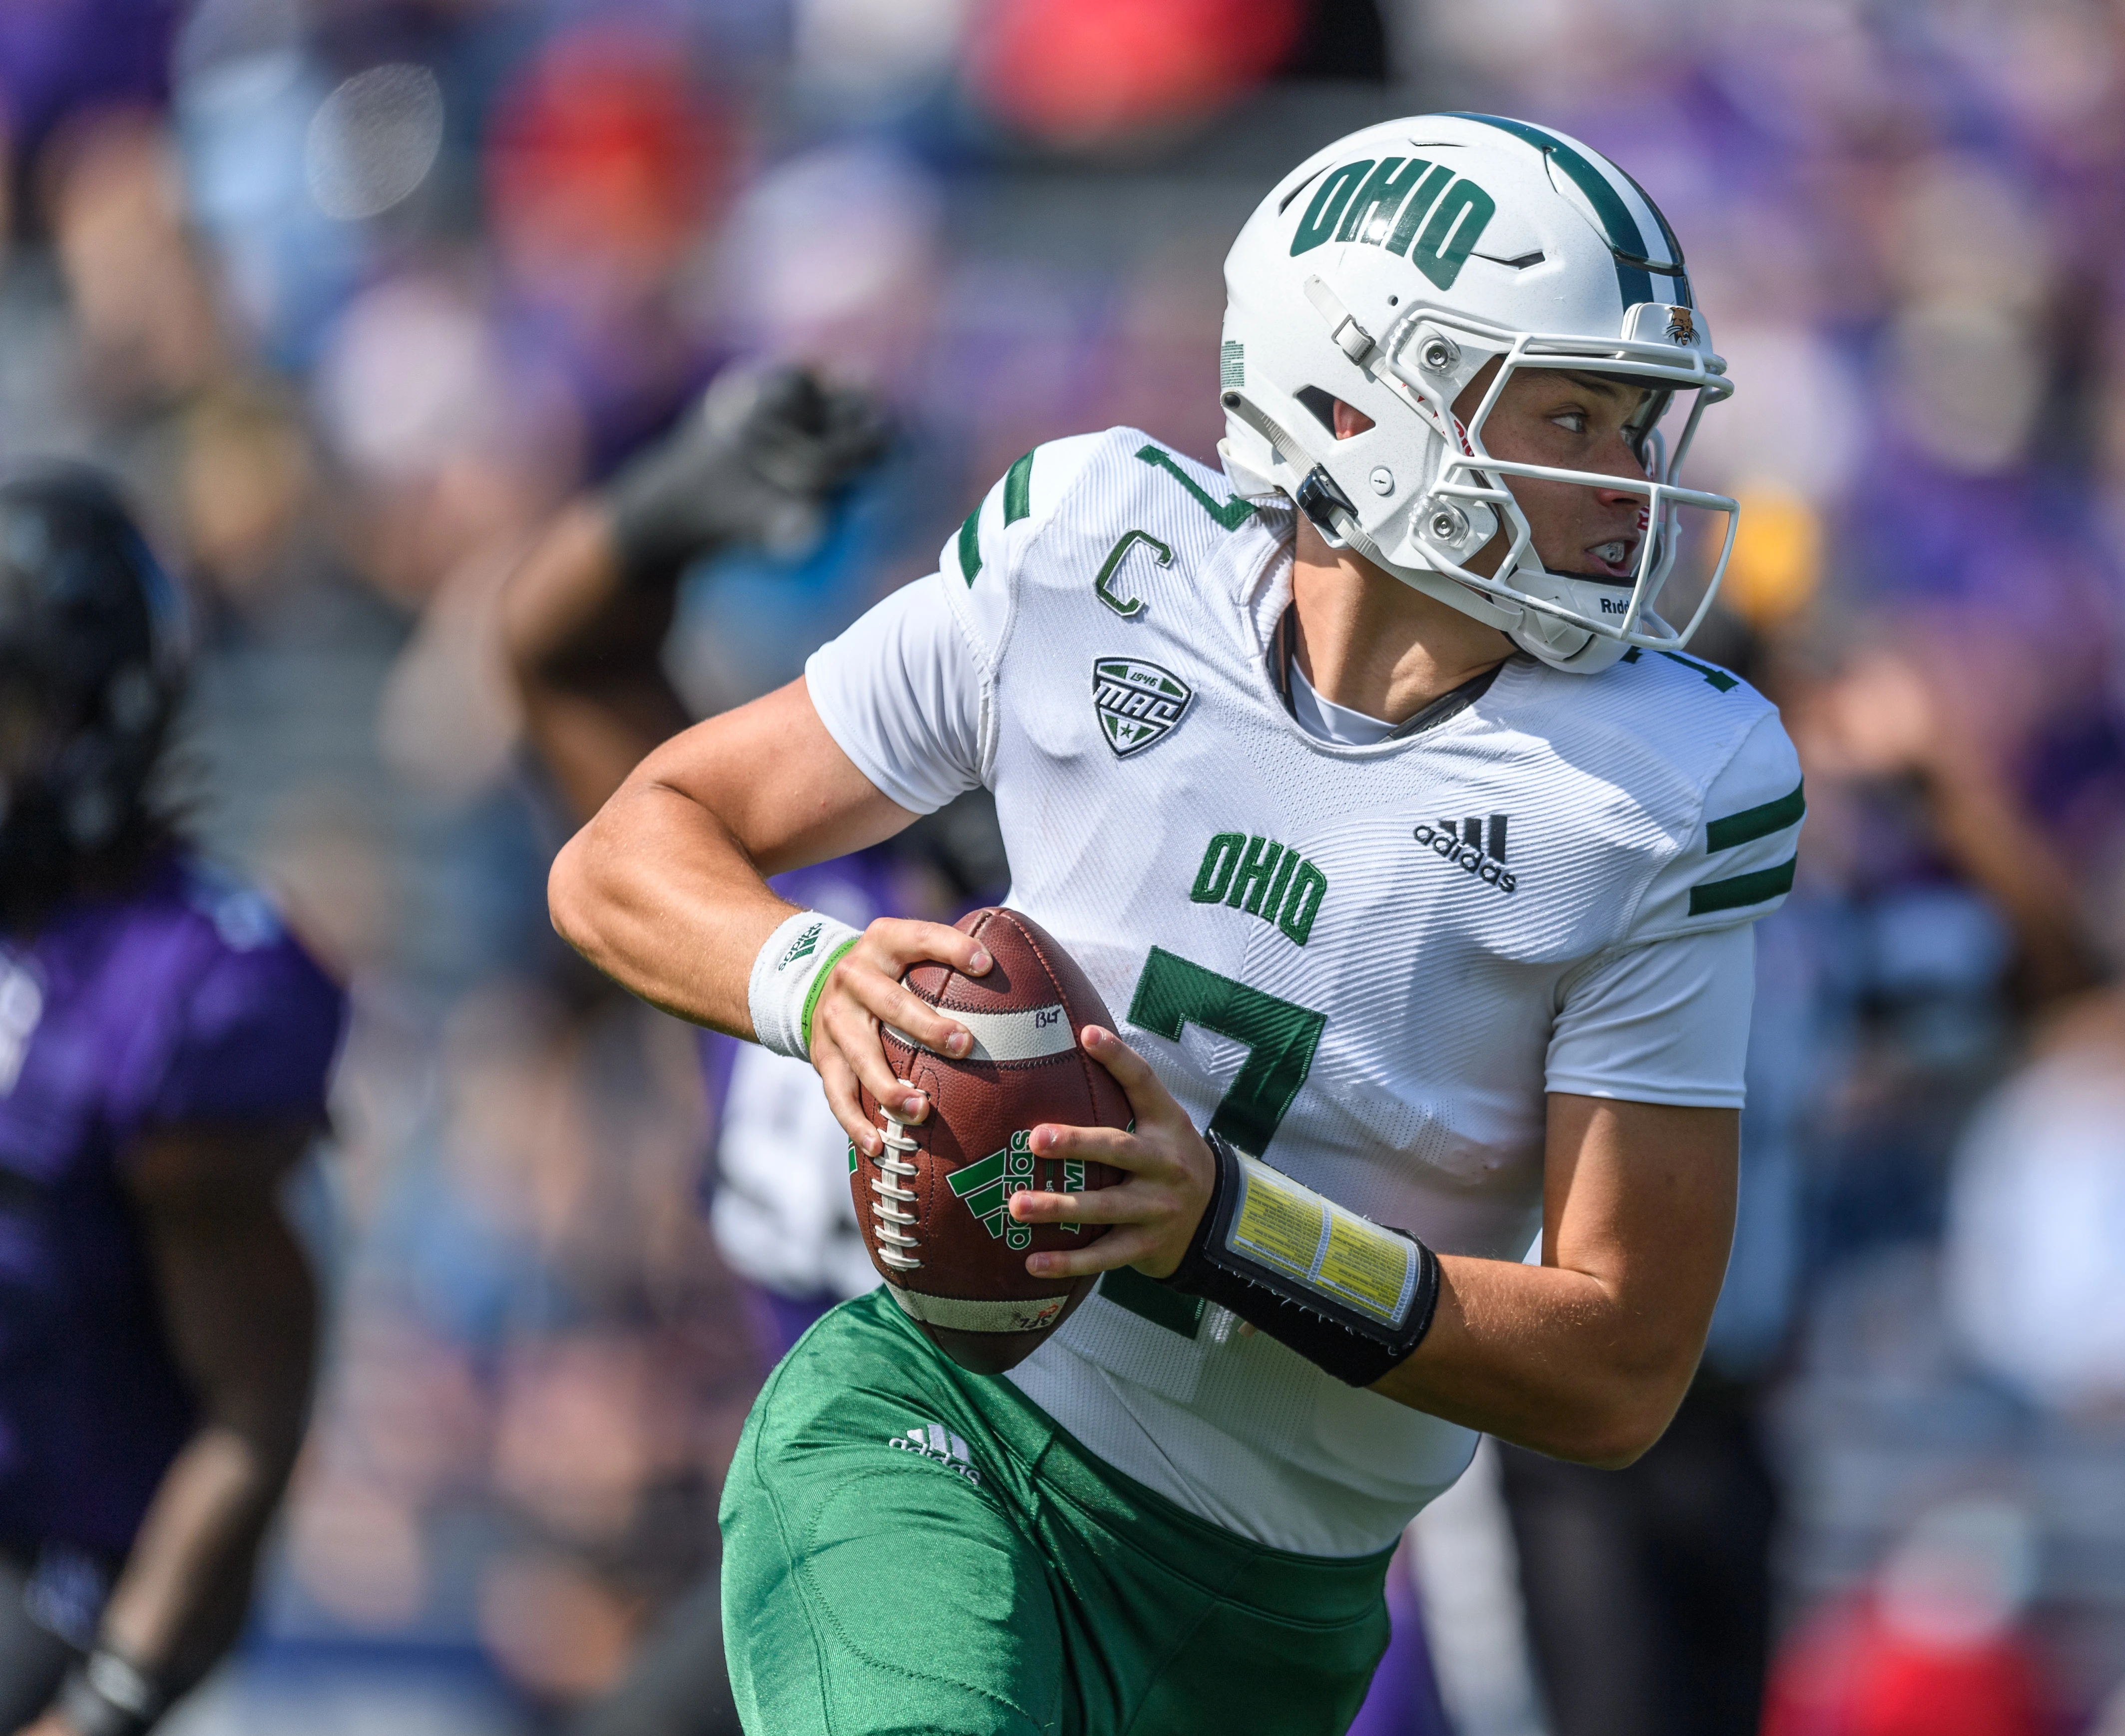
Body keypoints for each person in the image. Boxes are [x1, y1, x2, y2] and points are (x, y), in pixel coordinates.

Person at [550, 113, 1802, 1735]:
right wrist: (809, 975)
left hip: (1265, 1594)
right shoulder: (1097, 560)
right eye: (1568, 413)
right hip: (949, 1423)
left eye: (1639, 425)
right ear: (1353, 402)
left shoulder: (1654, 789)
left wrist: (1230, 1220)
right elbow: (626, 846)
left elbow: (1621, 1365)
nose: (1626, 485)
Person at [496, 365, 909, 1736]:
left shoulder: (1134, 927)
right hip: (837, 1532)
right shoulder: (786, 912)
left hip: (1110, 1533)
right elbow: (562, 660)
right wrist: (662, 510)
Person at [0, 465, 345, 1736]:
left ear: (98, 716)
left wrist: (109, 1701)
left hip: (64, 1571)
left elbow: (253, 1412)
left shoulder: (190, 996)